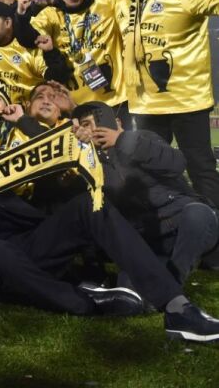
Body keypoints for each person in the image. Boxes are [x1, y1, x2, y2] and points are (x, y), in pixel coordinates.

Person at [0, 108, 219, 343]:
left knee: (89, 204)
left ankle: (176, 307)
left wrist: (65, 142)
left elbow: (22, 163)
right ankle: (88, 302)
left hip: (27, 241)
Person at [110, 0, 219, 224]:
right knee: (150, 170)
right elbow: (75, 1)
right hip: (145, 106)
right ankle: (166, 224)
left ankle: (213, 229)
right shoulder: (119, 0)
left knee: (200, 168)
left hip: (187, 103)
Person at [74, 102, 219, 284]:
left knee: (197, 214)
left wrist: (121, 140)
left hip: (184, 221)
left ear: (118, 123)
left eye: (99, 121)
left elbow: (176, 163)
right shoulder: (88, 163)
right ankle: (164, 283)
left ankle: (173, 281)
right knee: (128, 286)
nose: (94, 128)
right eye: (86, 125)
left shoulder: (142, 137)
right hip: (150, 238)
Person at [0, 0, 71, 105]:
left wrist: (50, 52)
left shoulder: (29, 47)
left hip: (28, 115)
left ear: (8, 22)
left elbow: (57, 79)